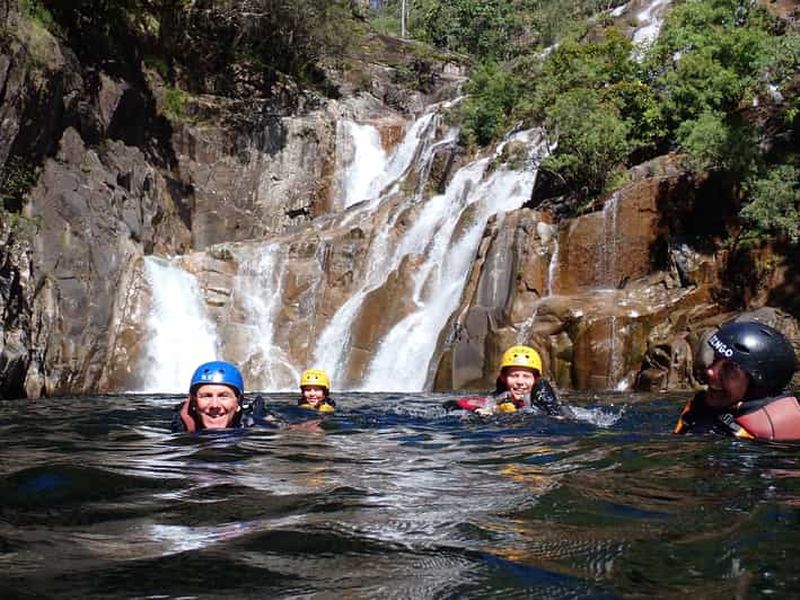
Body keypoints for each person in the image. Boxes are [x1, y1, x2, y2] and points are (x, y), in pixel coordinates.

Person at [674, 320, 799, 441]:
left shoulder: (764, 440)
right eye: (715, 359)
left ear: (756, 386)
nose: (710, 371)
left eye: (729, 368)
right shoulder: (701, 408)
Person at [443, 345, 574, 418]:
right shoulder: (496, 399)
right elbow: (452, 404)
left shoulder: (545, 402)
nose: (520, 382)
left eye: (526, 377)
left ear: (535, 380)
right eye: (514, 376)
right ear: (503, 378)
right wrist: (480, 411)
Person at [171, 360, 271, 432]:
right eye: (206, 396)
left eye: (224, 396)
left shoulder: (259, 428)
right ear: (194, 402)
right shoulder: (180, 426)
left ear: (238, 403)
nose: (215, 405)